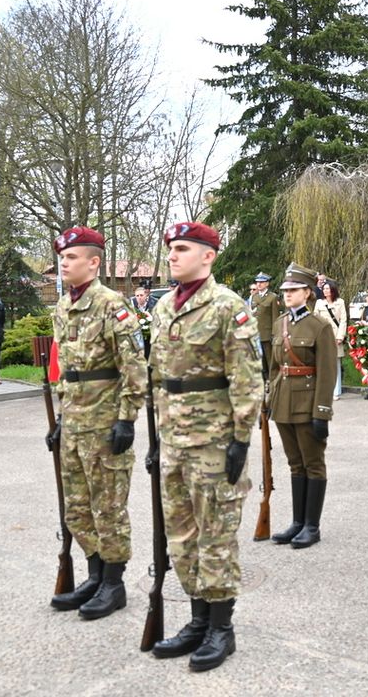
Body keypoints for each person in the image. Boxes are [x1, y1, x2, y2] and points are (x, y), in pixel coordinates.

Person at [147, 221, 261, 672]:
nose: (172, 256)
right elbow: (160, 378)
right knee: (181, 535)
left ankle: (221, 628)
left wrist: (240, 439)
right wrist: (155, 437)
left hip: (213, 442)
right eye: (171, 249)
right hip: (173, 440)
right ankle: (196, 619)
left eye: (181, 249)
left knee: (216, 535)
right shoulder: (161, 308)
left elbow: (248, 381)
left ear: (208, 256)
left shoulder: (228, 307)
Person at [46, 226, 148, 621]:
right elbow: (65, 370)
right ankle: (94, 574)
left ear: (94, 262)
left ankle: (114, 584)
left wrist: (127, 419)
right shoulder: (62, 307)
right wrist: (60, 418)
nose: (64, 263)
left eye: (71, 257)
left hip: (106, 422)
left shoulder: (112, 305)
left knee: (108, 506)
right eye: (62, 257)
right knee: (76, 506)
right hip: (74, 420)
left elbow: (133, 367)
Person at [267, 263, 337, 548]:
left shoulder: (319, 326)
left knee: (312, 463)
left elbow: (327, 371)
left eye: (294, 290)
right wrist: (270, 397)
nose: (288, 294)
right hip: (283, 402)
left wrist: (322, 412)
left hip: (307, 403)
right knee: (295, 463)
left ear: (308, 293)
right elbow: (273, 367)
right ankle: (297, 522)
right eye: (286, 290)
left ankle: (312, 525)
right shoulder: (279, 323)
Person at [315, 281, 348, 399]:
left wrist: (340, 336)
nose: (325, 291)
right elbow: (315, 319)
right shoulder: (319, 303)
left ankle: (336, 391)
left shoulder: (340, 302)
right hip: (323, 335)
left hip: (335, 335)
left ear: (333, 290)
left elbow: (343, 320)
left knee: (335, 364)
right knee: (323, 363)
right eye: (324, 289)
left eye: (328, 289)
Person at [250, 272, 281, 377]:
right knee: (259, 360)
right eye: (257, 282)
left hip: (267, 334)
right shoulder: (254, 297)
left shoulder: (273, 297)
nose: (259, 284)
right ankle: (264, 381)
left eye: (262, 282)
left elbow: (275, 317)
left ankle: (272, 380)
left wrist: (274, 333)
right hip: (256, 333)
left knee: (270, 359)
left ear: (267, 284)